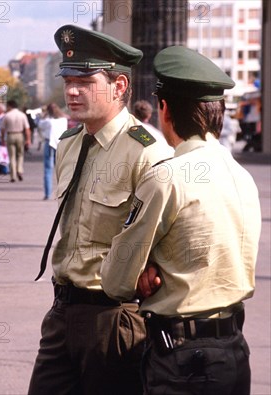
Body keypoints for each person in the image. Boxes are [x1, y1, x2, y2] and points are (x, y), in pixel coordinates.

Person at [101, 45, 261, 395]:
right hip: (234, 350)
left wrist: (146, 269)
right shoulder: (241, 176)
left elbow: (114, 279)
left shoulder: (167, 178)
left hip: (183, 359)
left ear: (165, 108)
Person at [29, 24, 173, 395]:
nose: (73, 91)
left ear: (119, 86)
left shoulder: (146, 152)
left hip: (113, 318)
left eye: (86, 81)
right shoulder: (69, 144)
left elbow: (169, 228)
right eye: (68, 80)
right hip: (62, 311)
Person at [38, 103, 67, 200]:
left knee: (48, 170)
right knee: (61, 170)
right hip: (61, 145)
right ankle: (62, 192)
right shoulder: (64, 120)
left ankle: (47, 194)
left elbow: (40, 125)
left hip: (49, 144)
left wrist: (45, 115)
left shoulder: (47, 121)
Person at [1, 100, 30, 182]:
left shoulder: (7, 115)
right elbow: (27, 129)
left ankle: (13, 176)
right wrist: (28, 139)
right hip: (20, 135)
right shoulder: (22, 115)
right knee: (20, 154)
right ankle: (19, 170)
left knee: (12, 156)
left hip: (10, 135)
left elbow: (3, 129)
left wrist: (2, 139)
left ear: (10, 106)